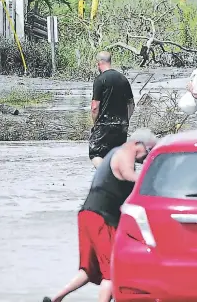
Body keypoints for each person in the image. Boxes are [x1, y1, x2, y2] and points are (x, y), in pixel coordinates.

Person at [43, 129, 159, 302]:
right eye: (148, 152)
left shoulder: (117, 153)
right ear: (137, 143)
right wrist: (155, 179)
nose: (146, 158)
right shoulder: (124, 152)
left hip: (87, 214)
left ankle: (55, 299)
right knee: (112, 271)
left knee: (89, 270)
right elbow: (128, 174)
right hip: (101, 217)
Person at [89, 51, 134, 169]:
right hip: (121, 126)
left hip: (104, 124)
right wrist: (125, 120)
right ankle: (118, 179)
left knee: (96, 153)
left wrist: (95, 124)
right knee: (116, 154)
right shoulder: (123, 79)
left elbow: (95, 107)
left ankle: (105, 176)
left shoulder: (100, 80)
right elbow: (131, 104)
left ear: (99, 63)